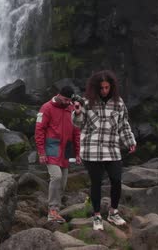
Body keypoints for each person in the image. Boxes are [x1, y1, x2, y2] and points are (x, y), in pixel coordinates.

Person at [72, 70, 137, 231]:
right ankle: (96, 215)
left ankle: (113, 212)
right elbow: (77, 123)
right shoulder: (86, 101)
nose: (104, 91)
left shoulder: (118, 103)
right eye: (101, 88)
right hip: (91, 150)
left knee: (116, 180)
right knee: (96, 183)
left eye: (107, 87)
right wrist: (77, 112)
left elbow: (123, 125)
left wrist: (130, 141)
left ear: (112, 86)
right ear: (95, 88)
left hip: (112, 148)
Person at [35, 85, 81, 223]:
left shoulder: (71, 109)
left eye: (69, 100)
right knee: (56, 177)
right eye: (66, 99)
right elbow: (39, 130)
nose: (68, 102)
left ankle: (56, 211)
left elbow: (76, 132)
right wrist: (41, 152)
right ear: (59, 95)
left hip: (66, 149)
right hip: (51, 148)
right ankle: (52, 211)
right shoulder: (46, 108)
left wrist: (77, 153)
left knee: (63, 182)